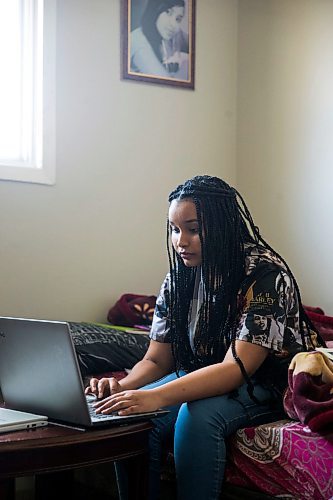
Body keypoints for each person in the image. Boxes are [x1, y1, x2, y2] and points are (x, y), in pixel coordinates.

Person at [86, 175, 325, 500]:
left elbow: (237, 368)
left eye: (193, 229)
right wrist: (124, 388)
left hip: (261, 383)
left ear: (223, 226)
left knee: (196, 418)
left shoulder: (265, 275)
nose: (180, 241)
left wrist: (156, 397)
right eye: (174, 229)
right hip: (201, 370)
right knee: (129, 416)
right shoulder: (179, 276)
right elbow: (157, 359)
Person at [130, 0, 189, 79]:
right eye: (168, 12)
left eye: (178, 19)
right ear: (156, 9)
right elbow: (166, 82)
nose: (173, 24)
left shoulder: (171, 32)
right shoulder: (139, 42)